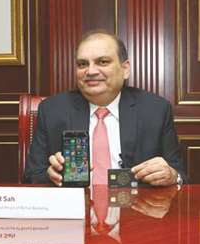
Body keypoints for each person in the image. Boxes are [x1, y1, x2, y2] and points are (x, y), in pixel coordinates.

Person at [23, 30, 186, 187]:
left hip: (136, 210)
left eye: (103, 62)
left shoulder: (155, 110)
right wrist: (51, 175)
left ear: (125, 69)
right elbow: (31, 176)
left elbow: (180, 175)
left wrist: (172, 176)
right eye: (82, 64)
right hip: (77, 208)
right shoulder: (52, 110)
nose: (91, 71)